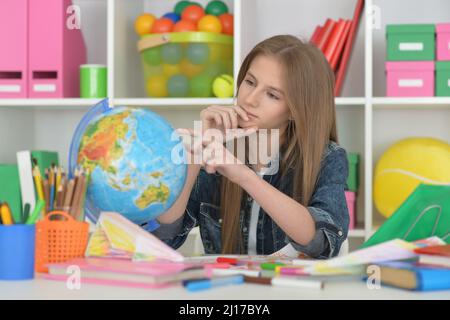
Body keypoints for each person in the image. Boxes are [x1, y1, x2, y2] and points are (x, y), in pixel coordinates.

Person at [152, 35, 349, 259]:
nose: (250, 99)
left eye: (272, 95)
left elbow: (323, 241)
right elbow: (164, 236)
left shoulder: (328, 158)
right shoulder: (220, 148)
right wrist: (197, 152)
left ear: (296, 110)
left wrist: (244, 176)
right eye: (250, 82)